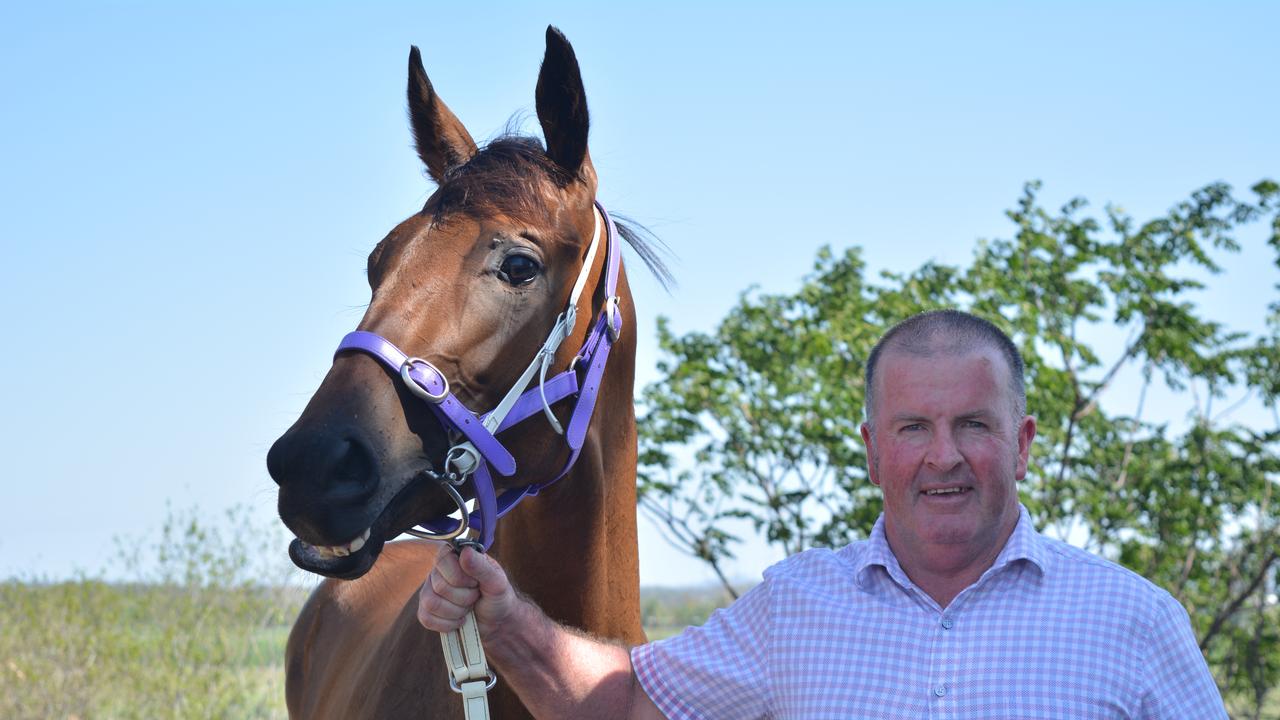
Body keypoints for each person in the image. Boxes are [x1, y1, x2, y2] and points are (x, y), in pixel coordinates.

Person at [418, 309, 1227, 718]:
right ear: (875, 451)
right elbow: (627, 702)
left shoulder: (1137, 622)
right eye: (914, 428)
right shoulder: (794, 607)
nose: (942, 456)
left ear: (1022, 443)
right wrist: (504, 619)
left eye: (973, 425)